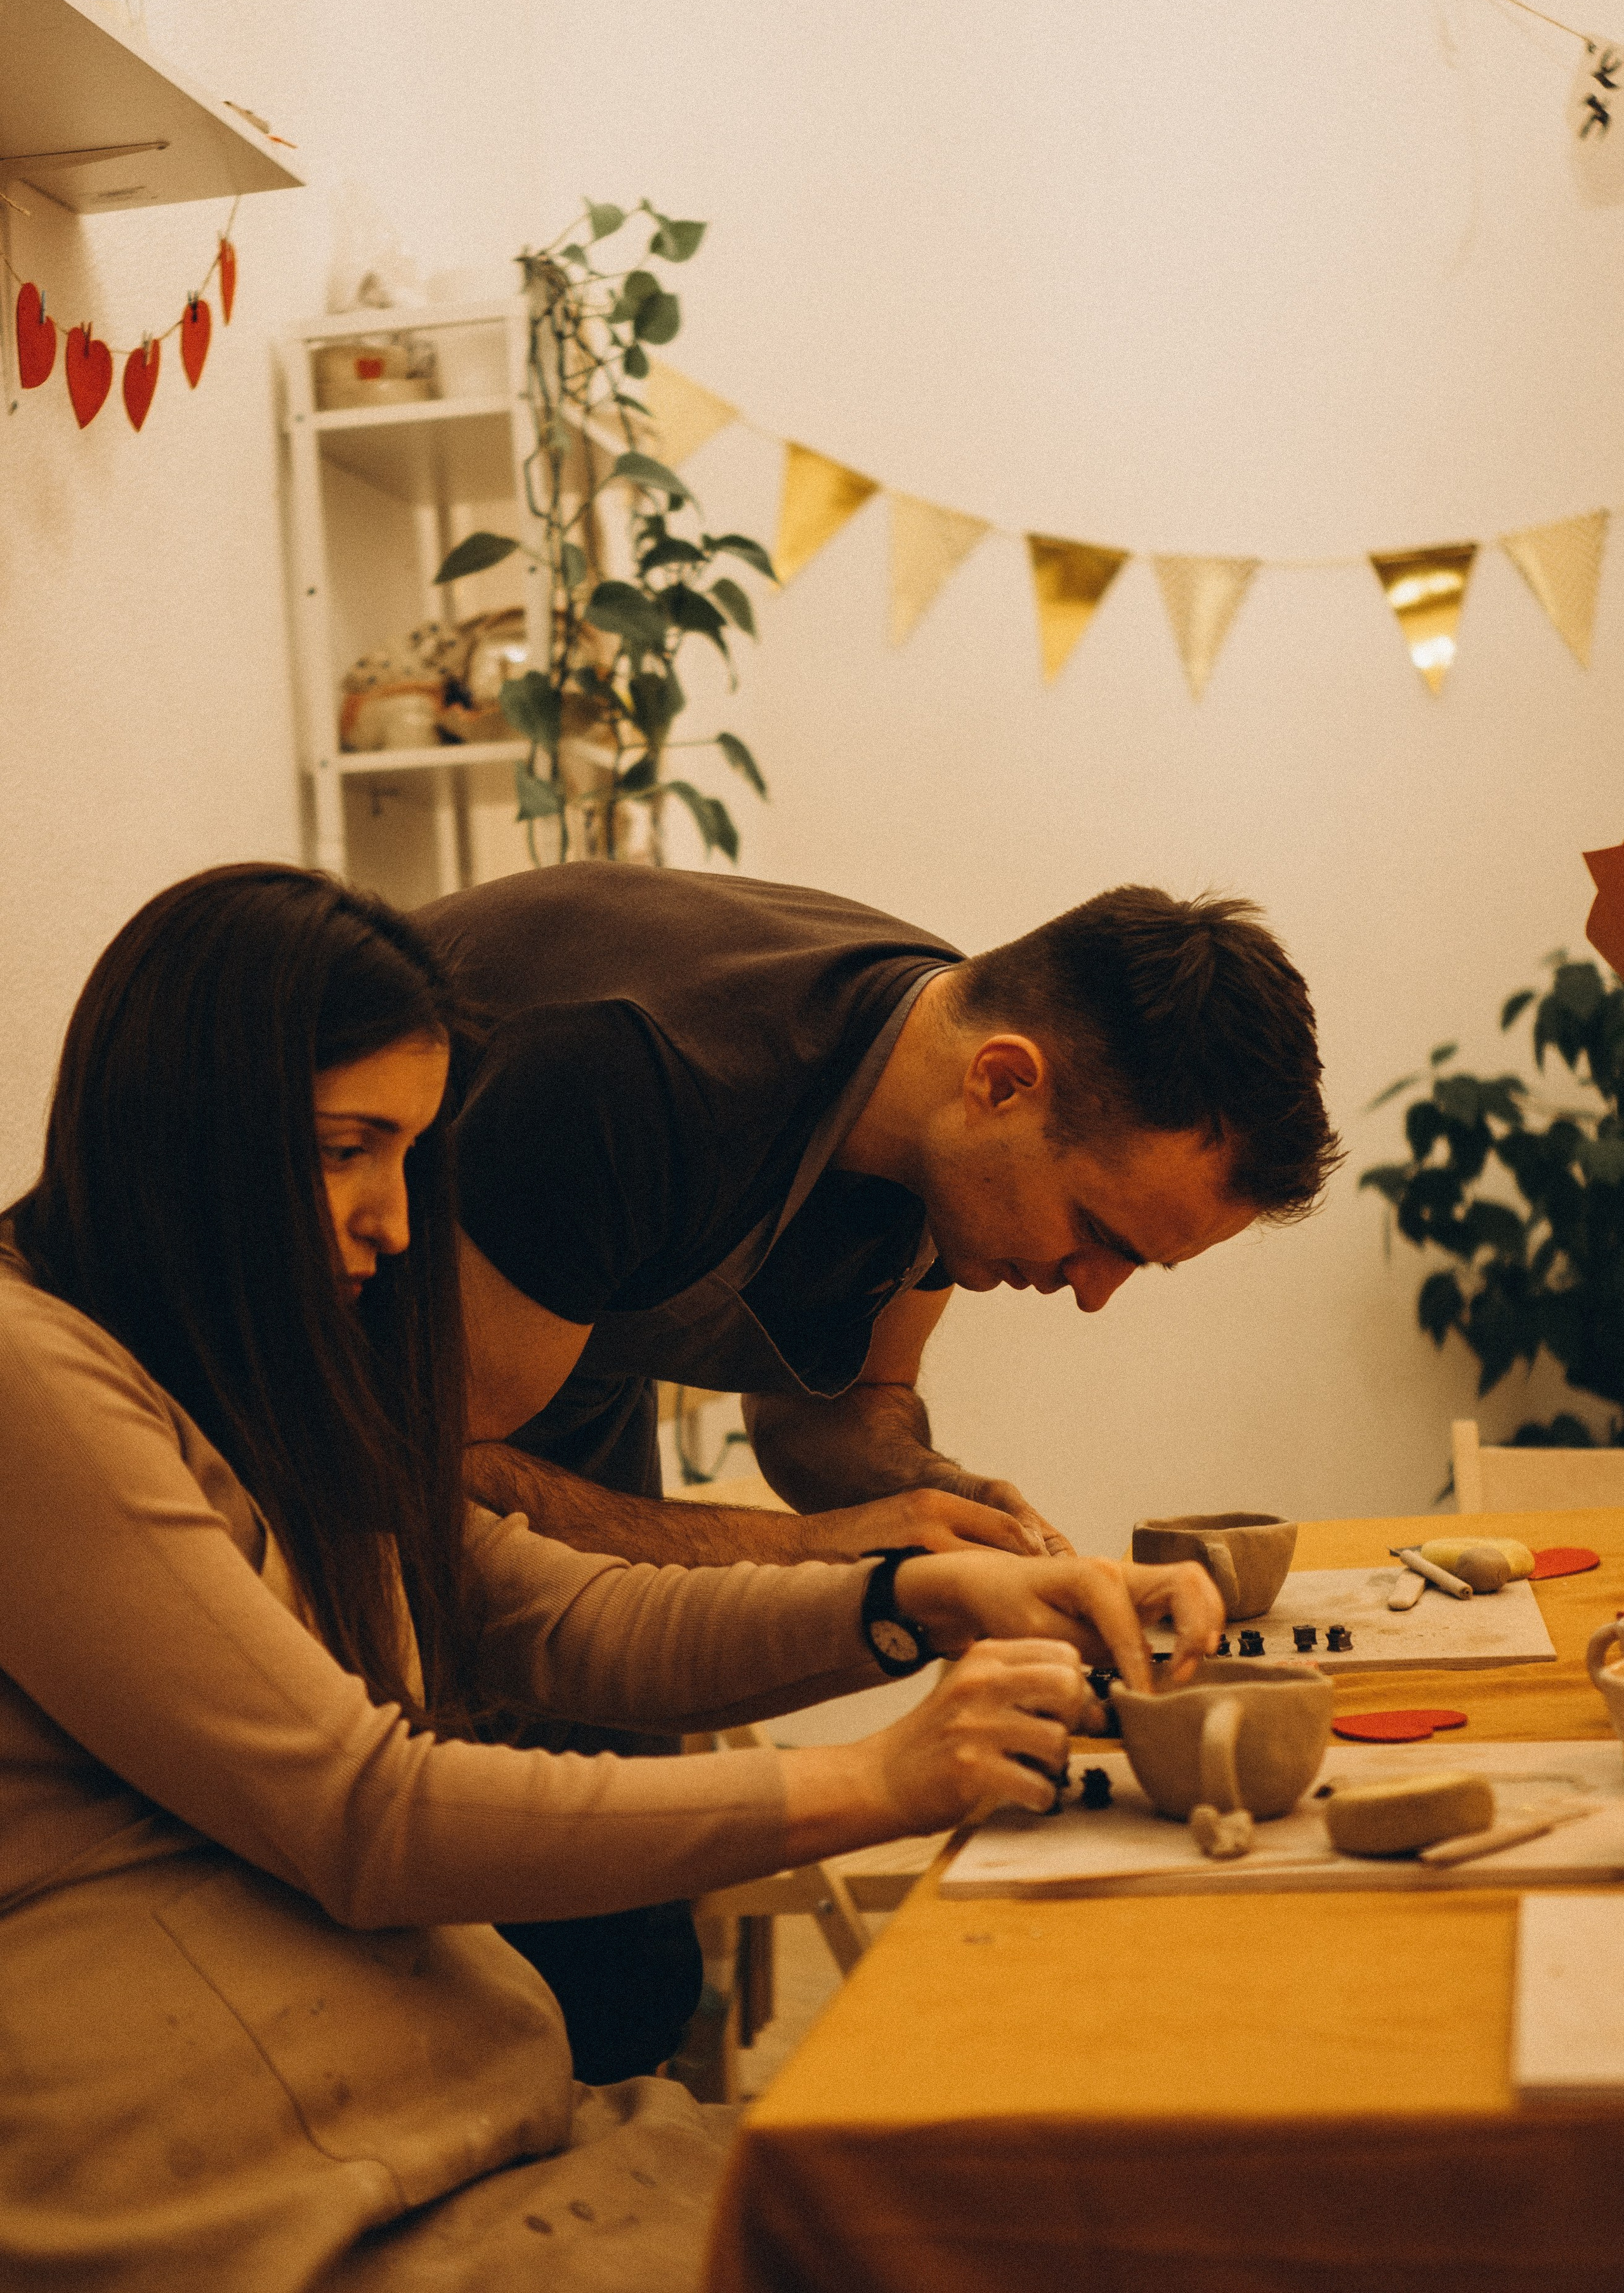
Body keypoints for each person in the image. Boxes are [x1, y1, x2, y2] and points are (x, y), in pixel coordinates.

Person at [0, 862, 1224, 2292]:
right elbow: (363, 1809)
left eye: (405, 1157)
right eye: (346, 1149)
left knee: (1038, 2208)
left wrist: (912, 1599)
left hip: (462, 2126)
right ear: (177, 1137)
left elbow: (543, 1607)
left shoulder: (235, 1366)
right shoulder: (34, 1379)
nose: (395, 1226)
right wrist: (880, 1784)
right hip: (265, 2193)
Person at [415, 865, 1339, 2080]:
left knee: (625, 1957)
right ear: (1004, 1084)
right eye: (1100, 1233)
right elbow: (442, 1477)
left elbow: (836, 1425)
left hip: (559, 1366)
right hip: (319, 1412)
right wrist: (834, 1551)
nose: (1093, 1291)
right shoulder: (628, 1081)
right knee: (492, 1957)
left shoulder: (939, 1109)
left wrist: (938, 1507)